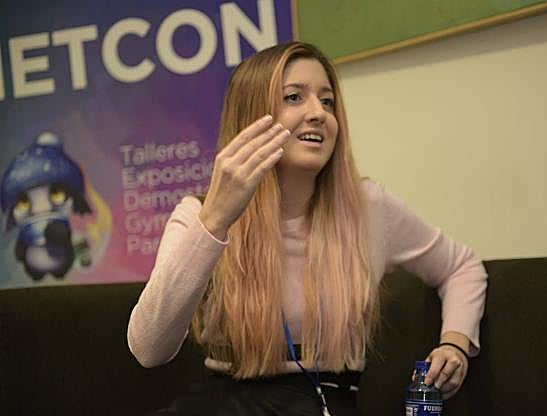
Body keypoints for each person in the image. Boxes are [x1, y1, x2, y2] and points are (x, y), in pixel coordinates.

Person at [127, 41, 487, 416]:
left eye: (327, 101)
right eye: (294, 97)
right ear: (253, 116)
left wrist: (455, 344)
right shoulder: (198, 215)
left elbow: (461, 267)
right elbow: (149, 349)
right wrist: (215, 221)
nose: (318, 113)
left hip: (320, 400)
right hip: (217, 401)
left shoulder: (368, 207)